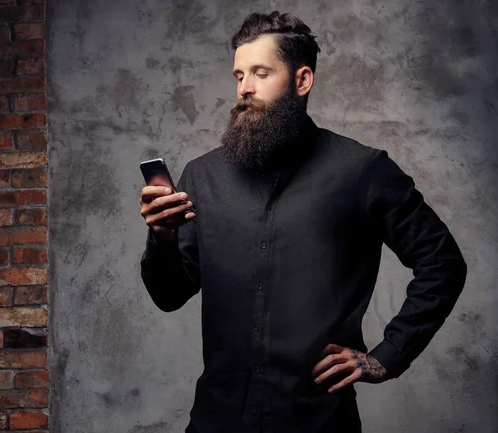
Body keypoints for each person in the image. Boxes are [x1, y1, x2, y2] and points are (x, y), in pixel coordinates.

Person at [139, 11, 467, 433]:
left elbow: (442, 263)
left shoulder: (362, 171)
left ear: (302, 80)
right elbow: (169, 294)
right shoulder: (202, 176)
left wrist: (387, 355)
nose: (245, 89)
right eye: (239, 75)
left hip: (318, 421)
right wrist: (162, 238)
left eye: (260, 73)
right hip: (217, 420)